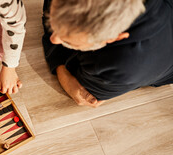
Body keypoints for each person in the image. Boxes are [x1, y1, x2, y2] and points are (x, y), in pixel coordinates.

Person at [42, 0, 173, 107]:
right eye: (52, 21)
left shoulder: (119, 66)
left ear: (113, 38)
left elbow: (81, 89)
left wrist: (59, 65)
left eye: (69, 41)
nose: (54, 39)